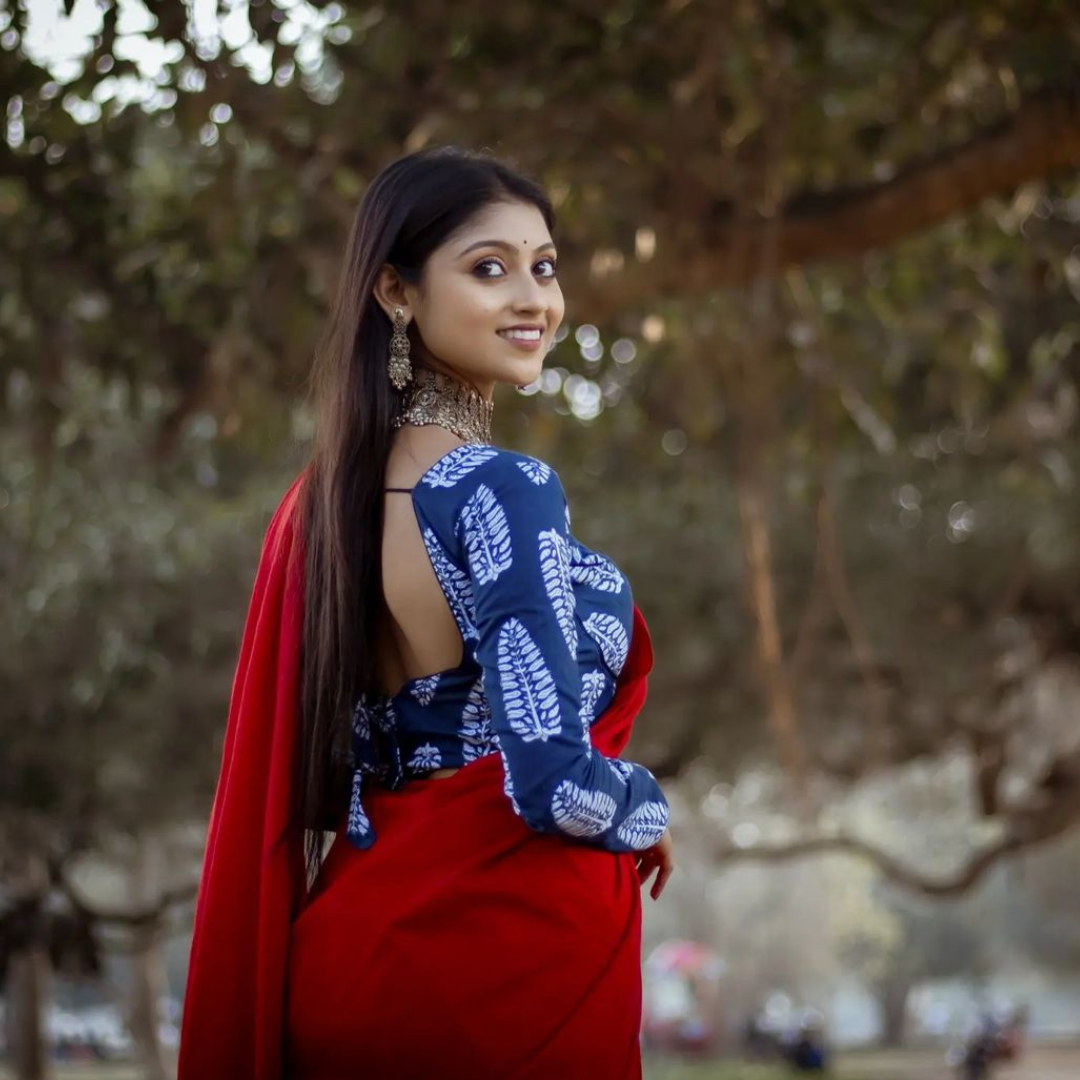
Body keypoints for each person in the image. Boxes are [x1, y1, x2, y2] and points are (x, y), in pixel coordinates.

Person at [178, 146, 676, 1080]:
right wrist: (644, 807)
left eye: (544, 266)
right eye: (489, 268)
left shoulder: (324, 505)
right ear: (396, 293)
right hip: (502, 970)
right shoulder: (499, 489)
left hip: (355, 944)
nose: (534, 298)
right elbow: (557, 783)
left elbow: (321, 769)